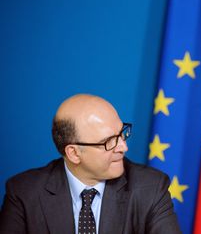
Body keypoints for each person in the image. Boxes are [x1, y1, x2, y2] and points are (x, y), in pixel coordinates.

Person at [0, 94, 181, 234]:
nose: (123, 147)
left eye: (121, 133)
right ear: (74, 153)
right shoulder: (23, 192)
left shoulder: (151, 188)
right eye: (109, 141)